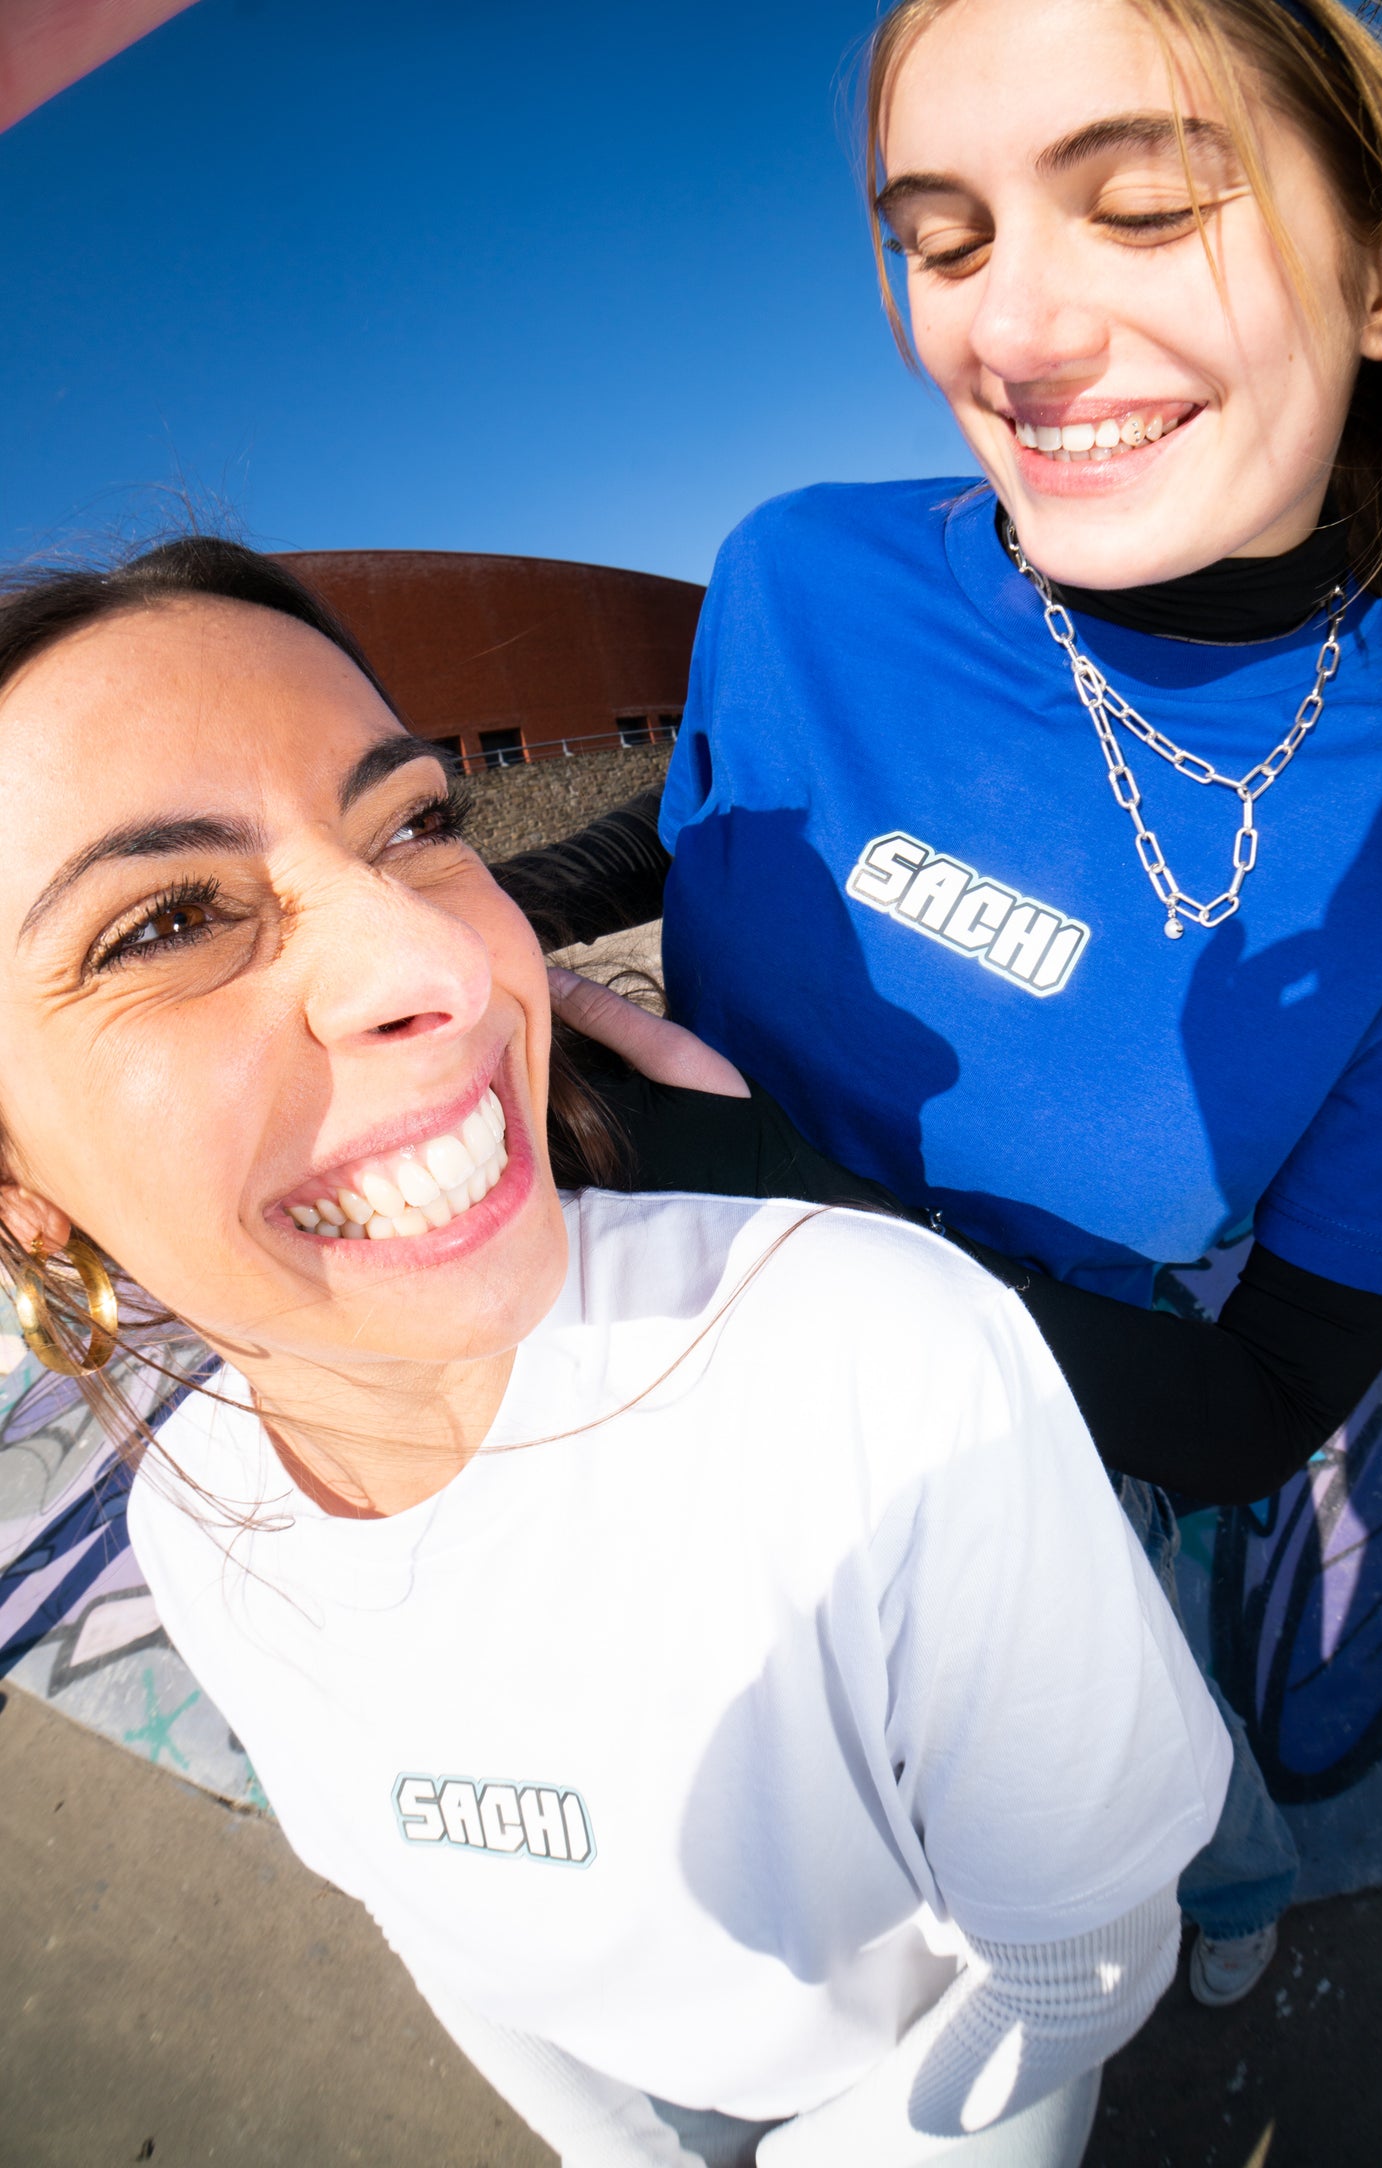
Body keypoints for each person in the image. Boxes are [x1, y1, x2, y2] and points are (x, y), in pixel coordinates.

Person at [0, 537, 1229, 2168]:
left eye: (416, 825)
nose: (443, 963)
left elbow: (1079, 1959)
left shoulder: (877, 1360)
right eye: (163, 922)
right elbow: (431, 1923)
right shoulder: (194, 1514)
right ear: (22, 1187)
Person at [495, 0, 1382, 2009]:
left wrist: (755, 1188)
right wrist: (454, 913)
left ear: (1378, 270)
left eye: (1145, 203)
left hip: (1068, 1431)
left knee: (1139, 1771)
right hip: (637, 1363)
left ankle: (1234, 1879)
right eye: (944, 238)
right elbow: (707, 827)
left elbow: (1261, 1404)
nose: (1009, 335)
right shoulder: (799, 577)